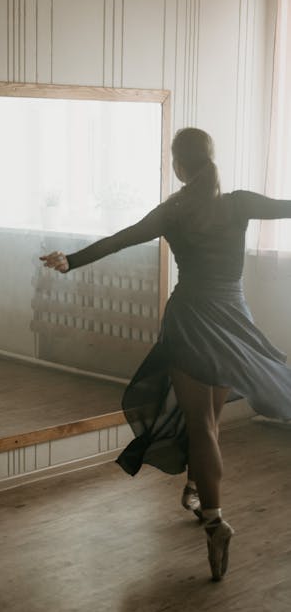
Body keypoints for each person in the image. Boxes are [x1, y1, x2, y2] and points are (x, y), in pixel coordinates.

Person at [41, 127, 291, 581]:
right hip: (233, 316)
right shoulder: (238, 202)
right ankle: (195, 491)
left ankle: (214, 521)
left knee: (202, 428)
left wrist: (70, 261)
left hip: (193, 320)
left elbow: (122, 238)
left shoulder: (175, 210)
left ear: (178, 166)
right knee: (210, 423)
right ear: (212, 159)